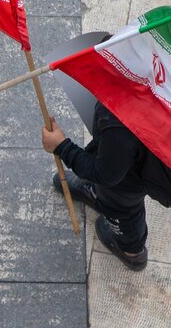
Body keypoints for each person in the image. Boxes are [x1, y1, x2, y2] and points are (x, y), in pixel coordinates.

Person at [42, 103, 148, 270]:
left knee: (122, 209)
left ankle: (132, 252)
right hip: (123, 162)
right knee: (109, 178)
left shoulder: (121, 122)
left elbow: (106, 173)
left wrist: (62, 147)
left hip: (127, 182)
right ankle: (97, 192)